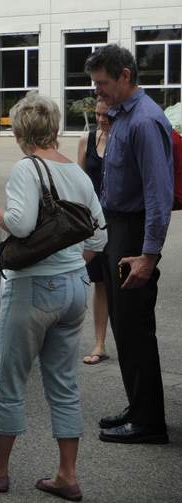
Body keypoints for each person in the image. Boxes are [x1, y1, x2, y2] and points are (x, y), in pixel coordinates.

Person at [0, 93, 107, 502]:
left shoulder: (28, 167)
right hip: (76, 287)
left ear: (19, 131)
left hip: (35, 288)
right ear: (54, 129)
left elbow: (21, 227)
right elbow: (99, 233)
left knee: (10, 378)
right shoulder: (77, 174)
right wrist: (72, 262)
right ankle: (66, 475)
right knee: (62, 382)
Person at [84, 44, 174, 444]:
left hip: (134, 234)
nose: (98, 91)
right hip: (116, 230)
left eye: (103, 83)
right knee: (124, 325)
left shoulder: (144, 121)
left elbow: (159, 194)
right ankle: (139, 408)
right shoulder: (122, 116)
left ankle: (149, 422)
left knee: (136, 328)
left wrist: (149, 256)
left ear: (124, 76)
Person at [77, 97, 112, 365]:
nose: (102, 120)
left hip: (119, 223)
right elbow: (79, 184)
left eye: (107, 115)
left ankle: (125, 338)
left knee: (119, 284)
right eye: (99, 115)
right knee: (99, 283)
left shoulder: (123, 141)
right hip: (94, 224)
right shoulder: (86, 141)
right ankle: (99, 344)